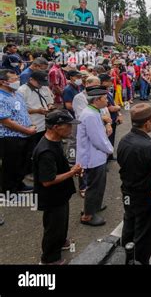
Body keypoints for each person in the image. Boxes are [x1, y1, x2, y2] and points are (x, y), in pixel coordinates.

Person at [33, 110, 82, 265]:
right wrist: (72, 172)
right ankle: (49, 259)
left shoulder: (57, 141)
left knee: (61, 222)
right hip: (51, 197)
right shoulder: (46, 150)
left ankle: (61, 241)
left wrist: (70, 169)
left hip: (61, 194)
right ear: (55, 127)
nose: (70, 129)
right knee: (53, 227)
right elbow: (48, 180)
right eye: (67, 126)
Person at [117, 104, 151, 265]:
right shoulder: (148, 147)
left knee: (129, 227)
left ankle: (125, 258)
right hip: (145, 198)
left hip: (128, 193)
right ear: (147, 123)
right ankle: (138, 261)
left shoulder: (124, 140)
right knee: (144, 236)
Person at [76, 86, 113, 226]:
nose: (107, 101)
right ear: (97, 100)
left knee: (99, 184)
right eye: (105, 98)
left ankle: (93, 206)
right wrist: (110, 149)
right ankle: (88, 215)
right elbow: (98, 139)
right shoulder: (90, 115)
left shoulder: (93, 111)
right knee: (94, 186)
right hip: (92, 157)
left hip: (96, 155)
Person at [0, 69, 37, 193]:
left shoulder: (16, 94)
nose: (17, 81)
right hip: (11, 137)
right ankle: (8, 190)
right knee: (10, 165)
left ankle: (18, 184)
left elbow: (23, 112)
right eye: (14, 79)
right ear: (3, 82)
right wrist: (27, 130)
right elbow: (6, 121)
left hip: (25, 134)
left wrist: (31, 124)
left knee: (22, 163)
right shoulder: (1, 98)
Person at [18, 71, 55, 176]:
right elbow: (19, 110)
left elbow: (49, 100)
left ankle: (39, 169)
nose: (41, 85)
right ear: (31, 80)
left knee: (42, 149)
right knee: (30, 151)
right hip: (31, 125)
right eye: (39, 82)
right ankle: (29, 172)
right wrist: (36, 111)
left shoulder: (44, 87)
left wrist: (50, 105)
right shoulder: (22, 91)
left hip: (44, 124)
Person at [99, 73, 123, 154]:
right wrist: (118, 107)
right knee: (108, 139)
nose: (111, 82)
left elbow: (114, 103)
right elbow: (111, 108)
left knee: (111, 138)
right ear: (102, 82)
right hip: (107, 120)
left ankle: (110, 155)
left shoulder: (107, 91)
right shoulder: (102, 93)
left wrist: (118, 113)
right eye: (108, 81)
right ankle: (108, 157)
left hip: (112, 119)